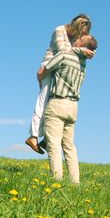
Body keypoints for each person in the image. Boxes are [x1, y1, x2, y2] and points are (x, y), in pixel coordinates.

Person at [25, 14, 95, 154]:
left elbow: (84, 48)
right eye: (81, 33)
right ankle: (33, 137)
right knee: (44, 100)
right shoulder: (60, 31)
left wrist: (90, 49)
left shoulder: (77, 37)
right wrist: (83, 50)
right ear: (76, 27)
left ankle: (46, 139)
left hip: (62, 67)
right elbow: (63, 51)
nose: (80, 37)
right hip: (49, 66)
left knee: (55, 104)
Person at [39, 34, 98, 183]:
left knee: (53, 144)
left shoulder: (65, 55)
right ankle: (75, 182)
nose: (76, 39)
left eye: (79, 39)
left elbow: (44, 71)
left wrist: (40, 77)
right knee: (69, 147)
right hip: (73, 107)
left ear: (80, 44)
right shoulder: (83, 63)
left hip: (58, 103)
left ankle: (57, 181)